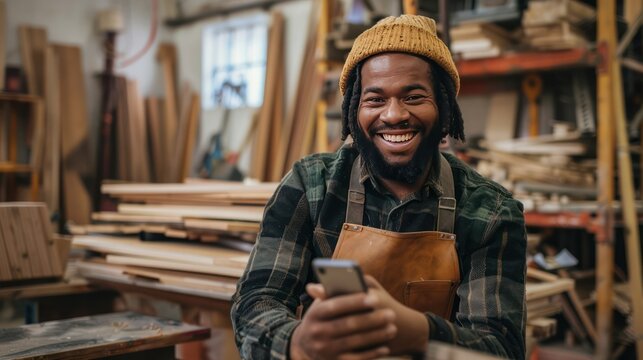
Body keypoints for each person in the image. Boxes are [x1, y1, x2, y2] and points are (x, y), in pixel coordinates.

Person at [231, 14, 526, 360]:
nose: (393, 115)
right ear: (354, 111)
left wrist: (418, 332)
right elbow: (254, 304)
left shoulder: (489, 212)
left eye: (414, 97)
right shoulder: (311, 187)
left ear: (444, 107)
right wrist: (298, 343)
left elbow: (501, 348)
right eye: (375, 100)